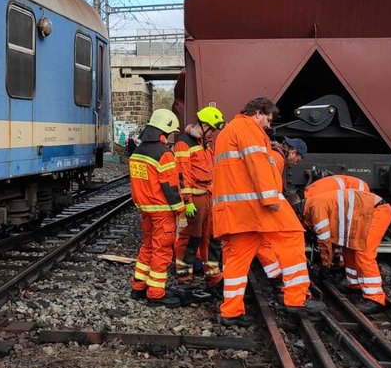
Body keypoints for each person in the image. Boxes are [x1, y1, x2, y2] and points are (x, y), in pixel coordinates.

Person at [212, 98, 325, 327]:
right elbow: (257, 164)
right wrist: (270, 197)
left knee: (236, 259)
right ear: (258, 113)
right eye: (268, 119)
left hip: (234, 210)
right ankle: (296, 298)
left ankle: (230, 311)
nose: (268, 125)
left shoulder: (226, 133)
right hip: (255, 205)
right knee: (292, 235)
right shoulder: (247, 128)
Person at [128, 109, 186, 307]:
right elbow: (170, 186)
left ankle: (138, 287)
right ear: (165, 131)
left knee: (148, 247)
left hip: (145, 209)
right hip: (162, 210)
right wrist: (181, 209)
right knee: (162, 250)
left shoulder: (137, 152)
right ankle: (155, 293)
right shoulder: (164, 154)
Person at [302, 188, 391, 314]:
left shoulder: (315, 209)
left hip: (375, 211)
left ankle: (375, 298)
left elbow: (324, 240)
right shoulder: (312, 204)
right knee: (348, 248)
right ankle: (354, 284)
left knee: (364, 253)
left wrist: (325, 265)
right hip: (362, 212)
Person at [173, 107, 226, 297]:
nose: (212, 133)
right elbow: (182, 174)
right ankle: (184, 278)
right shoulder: (183, 143)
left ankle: (213, 276)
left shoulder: (204, 142)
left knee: (211, 238)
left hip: (208, 196)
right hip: (195, 199)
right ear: (203, 125)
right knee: (190, 238)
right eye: (211, 128)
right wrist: (187, 201)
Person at [256, 137, 308, 285]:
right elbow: (270, 187)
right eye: (299, 157)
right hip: (265, 204)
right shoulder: (277, 159)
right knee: (292, 234)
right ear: (292, 151)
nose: (297, 162)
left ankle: (275, 274)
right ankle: (287, 281)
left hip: (255, 205)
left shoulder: (274, 155)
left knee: (259, 240)